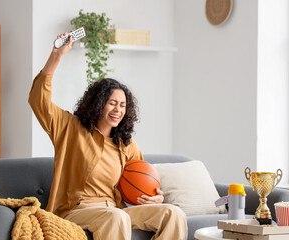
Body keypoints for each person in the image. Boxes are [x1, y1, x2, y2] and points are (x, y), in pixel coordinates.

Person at [28, 32, 188, 240]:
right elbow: (38, 99)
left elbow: (142, 180)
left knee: (173, 213)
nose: (118, 110)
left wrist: (155, 197)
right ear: (98, 103)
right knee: (116, 217)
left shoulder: (125, 144)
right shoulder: (71, 128)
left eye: (122, 105)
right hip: (77, 210)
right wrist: (56, 56)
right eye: (112, 103)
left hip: (114, 208)